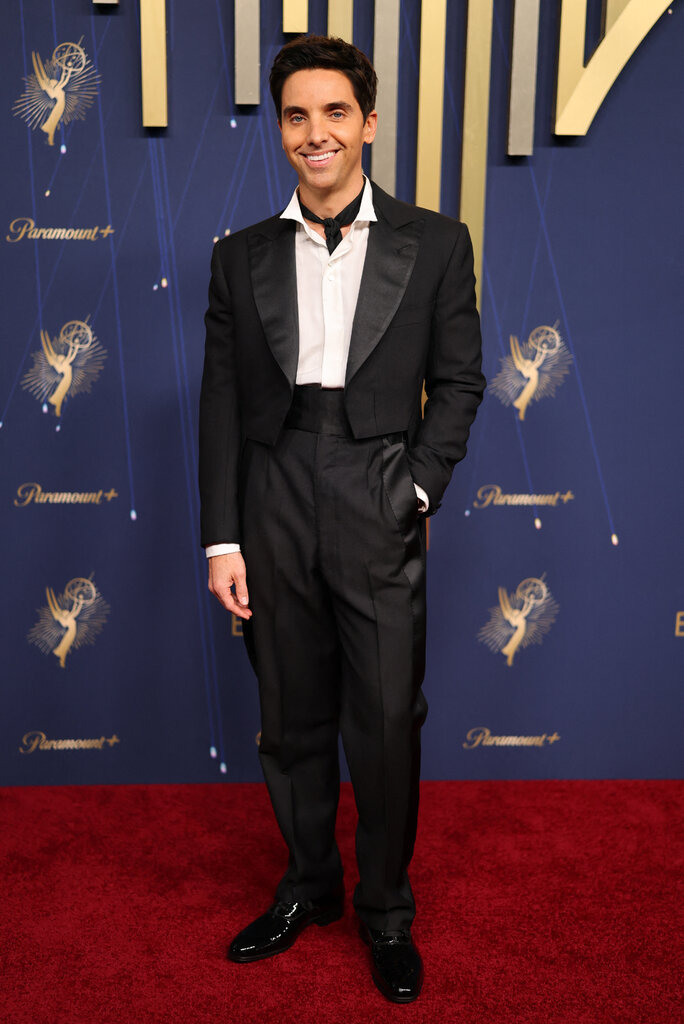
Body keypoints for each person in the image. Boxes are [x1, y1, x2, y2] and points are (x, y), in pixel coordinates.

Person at [199, 34, 485, 1004]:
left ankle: (387, 912)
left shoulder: (437, 243)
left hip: (376, 486)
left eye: (333, 113)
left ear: (368, 122)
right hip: (271, 490)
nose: (314, 134)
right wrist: (223, 536)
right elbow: (222, 405)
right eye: (294, 115)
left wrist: (413, 488)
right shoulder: (239, 258)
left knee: (387, 722)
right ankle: (309, 885)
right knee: (289, 719)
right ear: (279, 129)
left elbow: (458, 383)